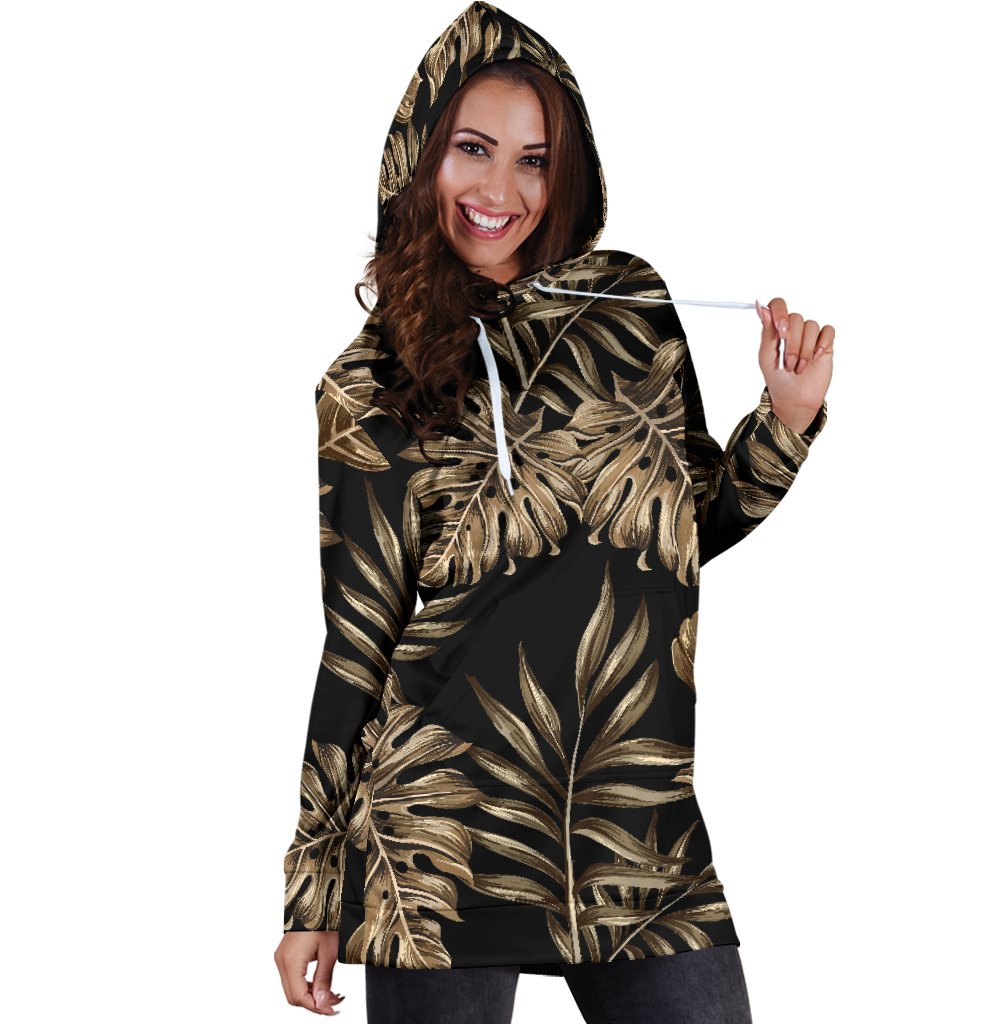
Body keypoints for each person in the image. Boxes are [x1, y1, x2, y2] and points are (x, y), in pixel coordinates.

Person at [274, 3, 834, 1022]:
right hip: (439, 844)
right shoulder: (364, 385)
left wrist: (785, 420)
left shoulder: (627, 307)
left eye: (533, 160)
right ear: (418, 157)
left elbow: (682, 532)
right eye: (472, 150)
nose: (500, 192)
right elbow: (355, 645)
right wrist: (313, 890)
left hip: (635, 826)